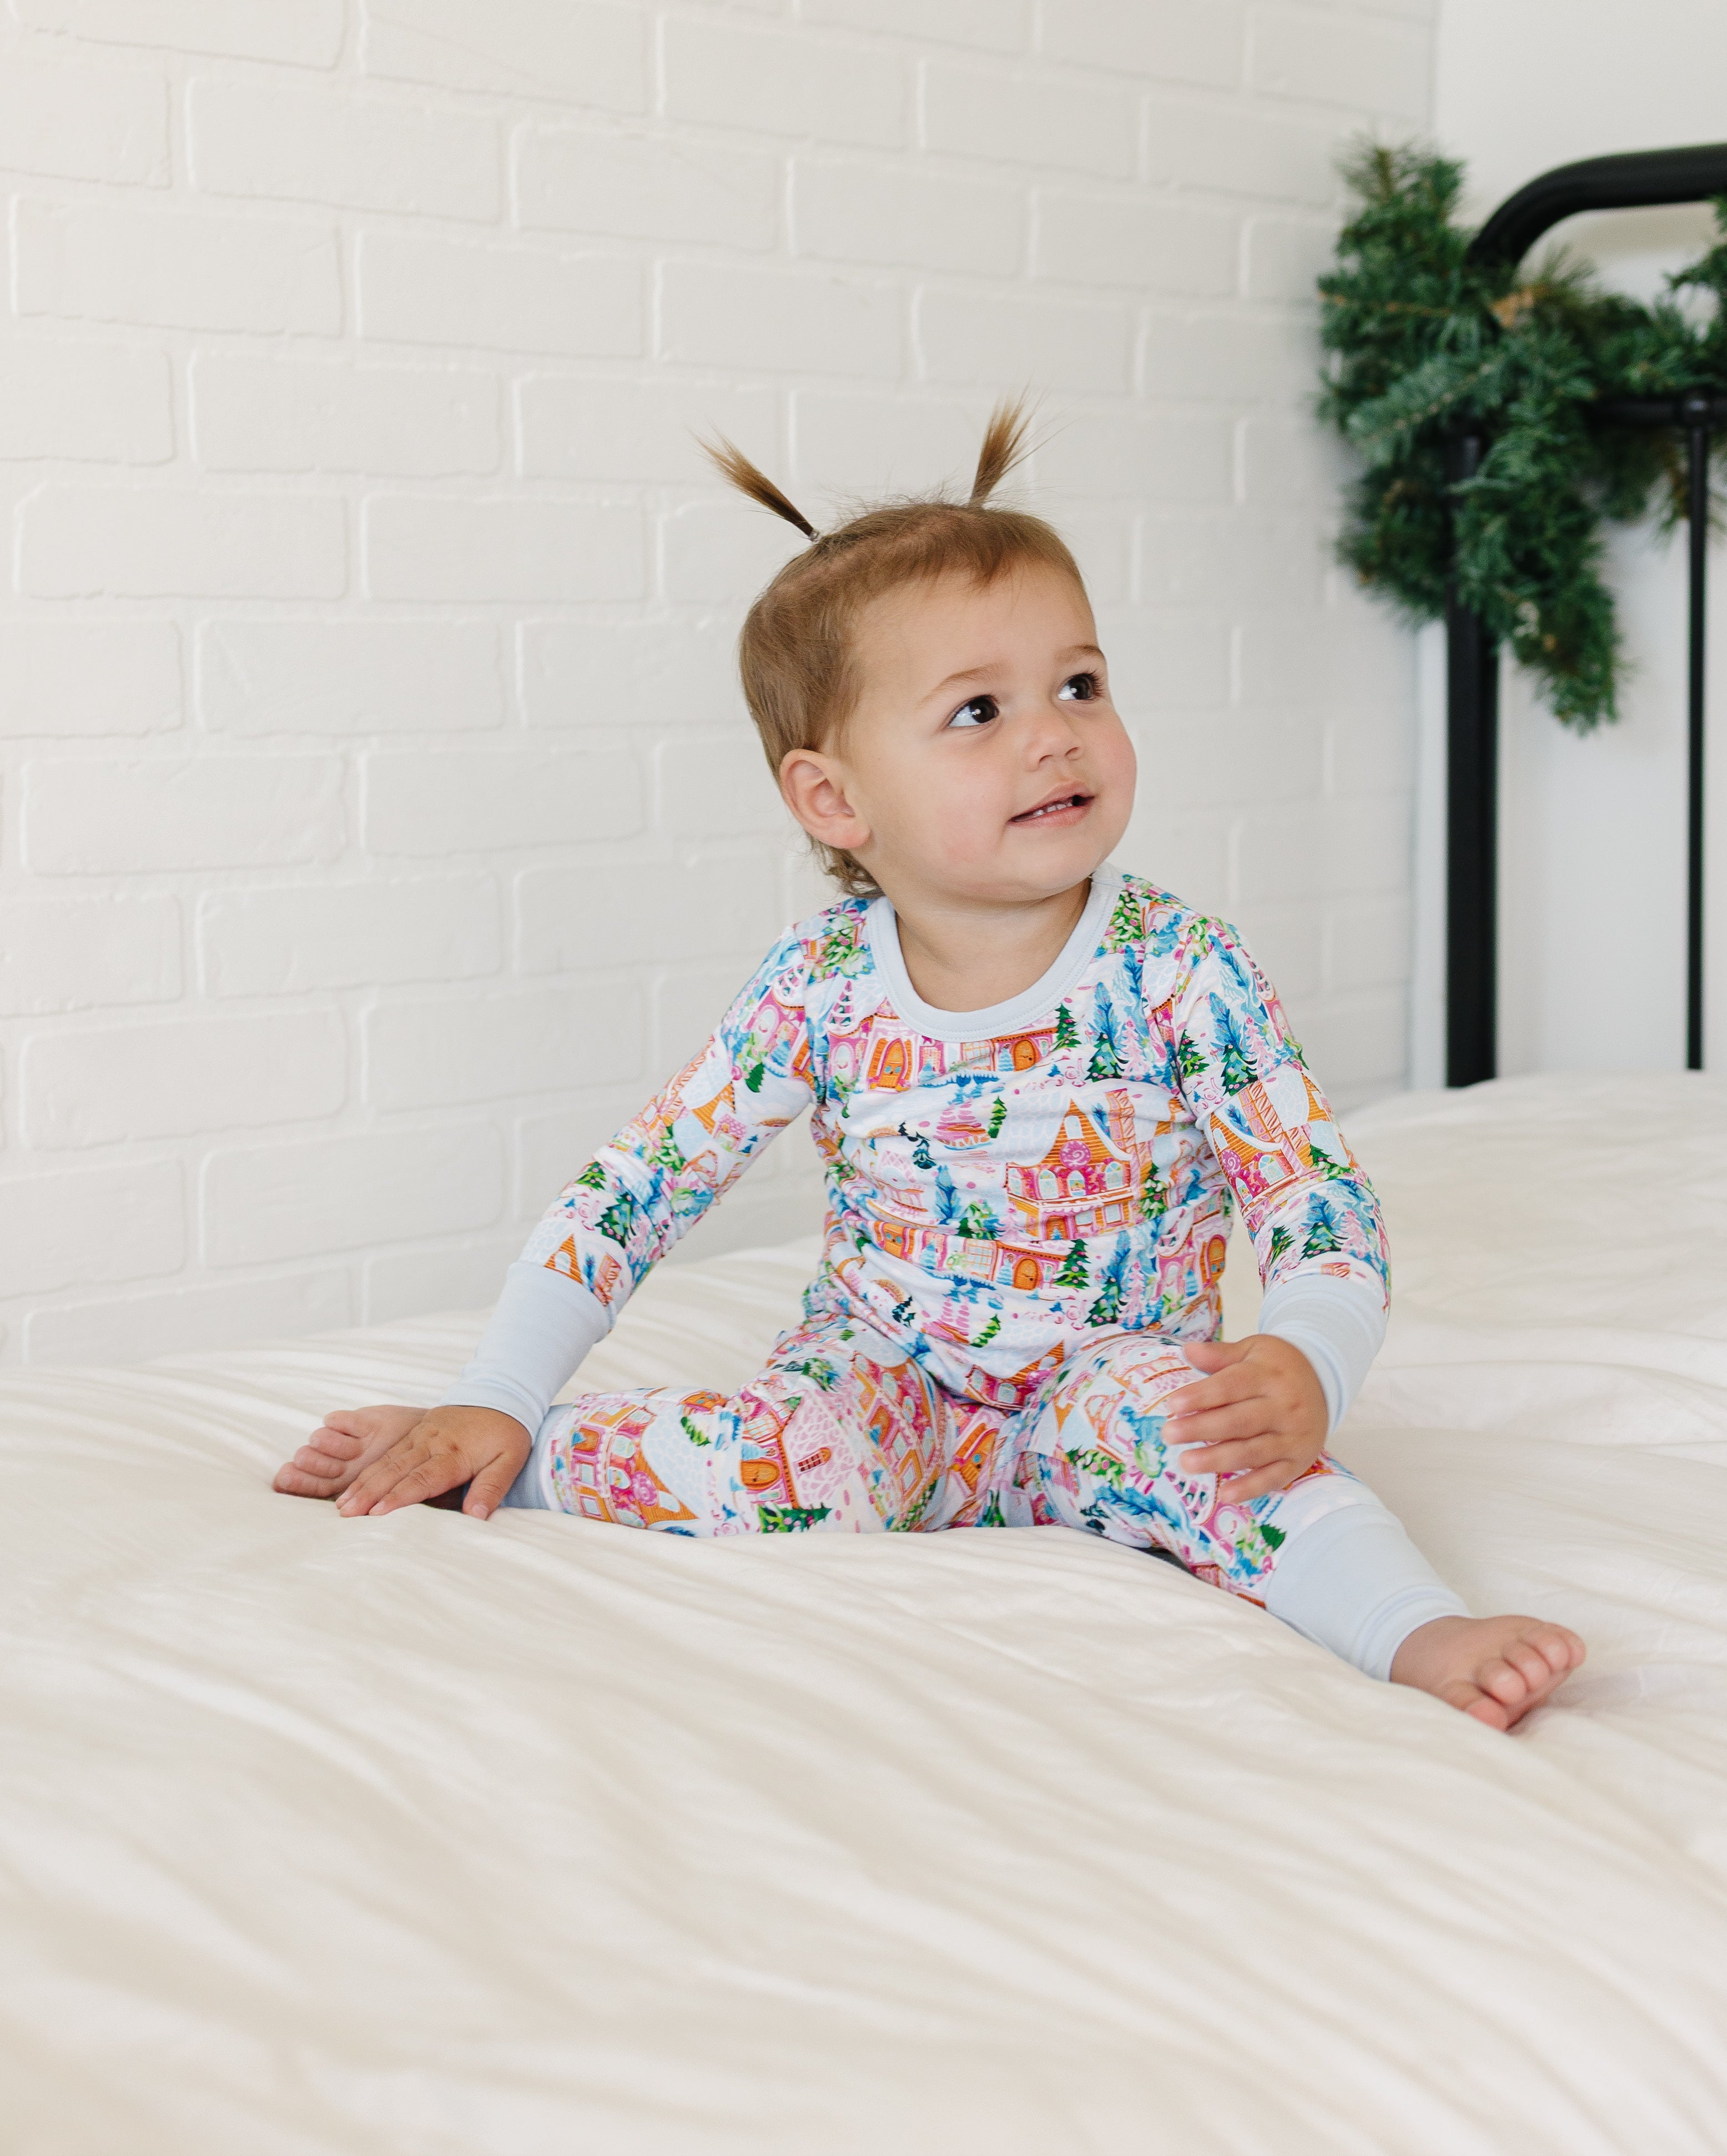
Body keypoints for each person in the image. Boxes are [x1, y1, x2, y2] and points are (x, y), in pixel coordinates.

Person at [275, 404, 1584, 1730]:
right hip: (888, 1377)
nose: (1054, 733)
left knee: (1223, 1449)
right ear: (835, 800)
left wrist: (1310, 1357)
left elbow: (1316, 1202)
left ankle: (1413, 1626)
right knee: (781, 1456)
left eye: (1081, 685)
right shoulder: (821, 986)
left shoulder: (1180, 967)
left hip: (1106, 1383)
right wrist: (500, 1392)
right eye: (979, 710)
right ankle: (502, 1456)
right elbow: (635, 1192)